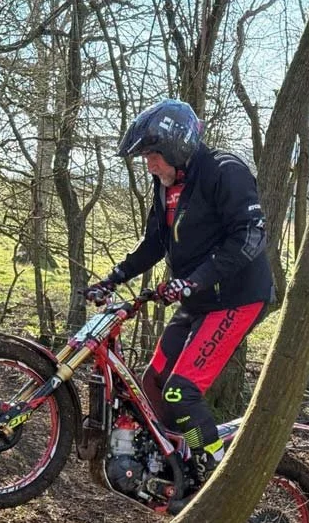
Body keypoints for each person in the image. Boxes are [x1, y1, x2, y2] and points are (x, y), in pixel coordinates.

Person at [85, 99, 273, 492]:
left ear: (178, 146)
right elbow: (155, 241)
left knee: (180, 390)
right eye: (146, 157)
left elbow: (251, 236)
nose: (149, 164)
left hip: (236, 299)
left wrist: (194, 280)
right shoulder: (166, 184)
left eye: (153, 154)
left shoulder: (226, 172)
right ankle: (184, 459)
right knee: (153, 388)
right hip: (199, 300)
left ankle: (220, 479)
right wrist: (114, 278)